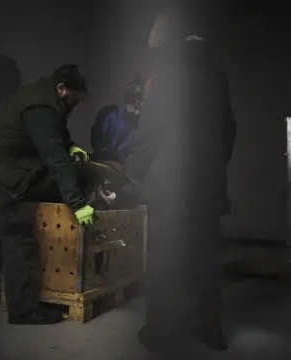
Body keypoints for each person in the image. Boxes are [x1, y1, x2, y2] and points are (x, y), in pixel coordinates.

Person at [125, 12, 236, 353]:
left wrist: (134, 169)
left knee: (161, 256)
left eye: (155, 27)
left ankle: (157, 329)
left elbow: (151, 128)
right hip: (206, 183)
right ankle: (211, 328)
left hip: (168, 182)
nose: (151, 33)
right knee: (205, 255)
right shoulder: (215, 71)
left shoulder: (166, 67)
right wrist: (213, 167)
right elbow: (229, 128)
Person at [0, 64, 96, 325]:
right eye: (74, 99)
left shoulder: (42, 98)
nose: (75, 105)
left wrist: (71, 147)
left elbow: (55, 138)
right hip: (1, 175)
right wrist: (78, 205)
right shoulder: (40, 108)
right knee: (17, 234)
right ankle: (23, 311)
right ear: (62, 89)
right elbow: (56, 161)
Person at [90, 76, 144, 165]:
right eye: (133, 102)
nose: (136, 110)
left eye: (140, 104)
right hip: (100, 162)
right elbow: (96, 135)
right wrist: (104, 153)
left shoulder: (139, 128)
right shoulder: (109, 114)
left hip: (119, 169)